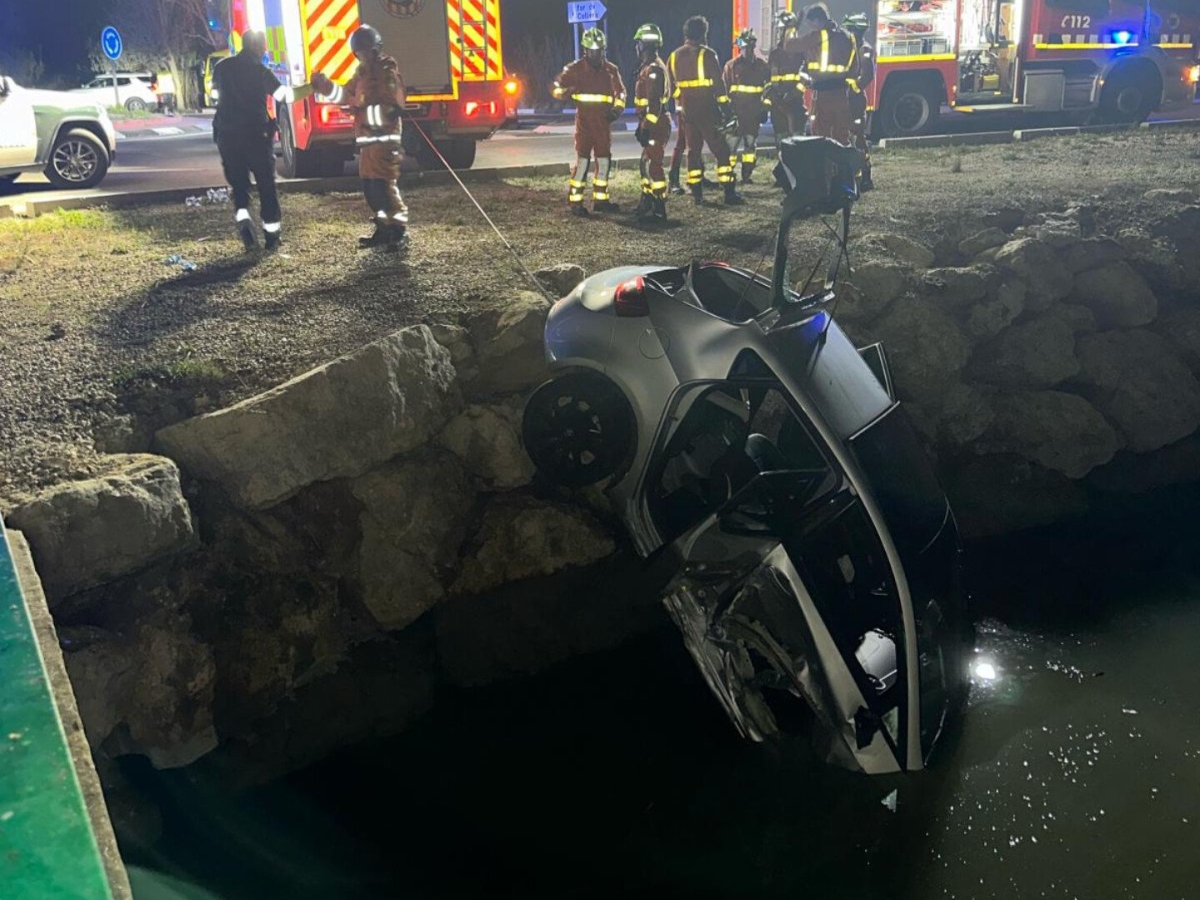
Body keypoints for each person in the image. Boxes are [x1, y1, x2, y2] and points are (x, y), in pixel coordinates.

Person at [212, 30, 318, 252]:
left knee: (240, 188)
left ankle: (245, 227)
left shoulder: (221, 68)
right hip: (256, 137)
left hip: (228, 138)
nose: (265, 51)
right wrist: (312, 87)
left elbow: (214, 97)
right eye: (263, 47)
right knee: (266, 187)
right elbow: (285, 96)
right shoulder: (261, 72)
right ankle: (272, 237)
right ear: (258, 47)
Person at [312, 25, 410, 251]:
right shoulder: (361, 74)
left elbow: (391, 108)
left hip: (384, 141)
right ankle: (384, 229)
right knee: (370, 188)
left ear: (375, 50)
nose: (362, 56)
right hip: (367, 143)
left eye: (366, 51)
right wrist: (324, 85)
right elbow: (345, 95)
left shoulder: (387, 73)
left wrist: (361, 110)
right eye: (359, 53)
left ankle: (398, 232)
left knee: (384, 187)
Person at [667, 16, 743, 206]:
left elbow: (670, 87)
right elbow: (719, 85)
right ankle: (728, 192)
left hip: (687, 111)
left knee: (693, 151)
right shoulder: (708, 55)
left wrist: (682, 100)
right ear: (703, 34)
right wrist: (726, 108)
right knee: (721, 150)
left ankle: (697, 193)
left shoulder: (674, 56)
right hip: (708, 109)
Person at [551, 28, 627, 217]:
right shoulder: (574, 69)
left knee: (604, 161)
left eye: (599, 50)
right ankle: (575, 201)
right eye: (592, 51)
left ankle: (601, 200)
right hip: (584, 124)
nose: (596, 55)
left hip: (603, 123)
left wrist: (617, 110)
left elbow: (621, 93)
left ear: (603, 50)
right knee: (583, 162)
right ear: (585, 50)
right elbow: (556, 87)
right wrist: (564, 93)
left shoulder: (611, 70)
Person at [787, 3, 859, 145]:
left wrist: (792, 26)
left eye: (811, 25)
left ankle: (825, 166)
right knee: (841, 136)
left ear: (818, 21)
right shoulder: (848, 37)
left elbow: (790, 45)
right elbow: (854, 69)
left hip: (822, 96)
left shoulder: (819, 36)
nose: (811, 29)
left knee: (820, 136)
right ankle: (844, 166)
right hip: (842, 95)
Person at [632, 22, 672, 222]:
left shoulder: (653, 69)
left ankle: (659, 208)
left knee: (653, 166)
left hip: (655, 124)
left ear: (643, 45)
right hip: (651, 122)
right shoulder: (649, 66)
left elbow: (654, 105)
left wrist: (646, 126)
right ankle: (647, 201)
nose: (636, 48)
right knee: (645, 163)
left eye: (638, 43)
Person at [723, 28, 771, 183]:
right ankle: (728, 174)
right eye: (744, 47)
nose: (747, 50)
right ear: (740, 47)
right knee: (731, 147)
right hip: (736, 114)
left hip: (753, 114)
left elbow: (768, 88)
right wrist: (726, 111)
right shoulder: (731, 66)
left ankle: (746, 175)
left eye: (750, 47)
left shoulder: (762, 66)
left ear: (753, 46)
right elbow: (724, 89)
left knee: (750, 145)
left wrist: (765, 108)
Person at [842, 12, 876, 190]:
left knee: (858, 138)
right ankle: (854, 176)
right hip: (847, 100)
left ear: (856, 30)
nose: (848, 32)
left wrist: (853, 89)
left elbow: (867, 75)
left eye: (849, 29)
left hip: (855, 102)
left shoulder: (864, 49)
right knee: (847, 137)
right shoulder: (851, 49)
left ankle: (865, 176)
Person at [767, 11, 807, 139]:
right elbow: (770, 78)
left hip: (795, 102)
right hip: (778, 103)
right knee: (781, 136)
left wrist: (795, 93)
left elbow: (806, 76)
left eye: (782, 29)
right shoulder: (775, 54)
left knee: (797, 138)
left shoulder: (802, 52)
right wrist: (774, 96)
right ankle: (782, 158)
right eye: (779, 30)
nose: (780, 33)